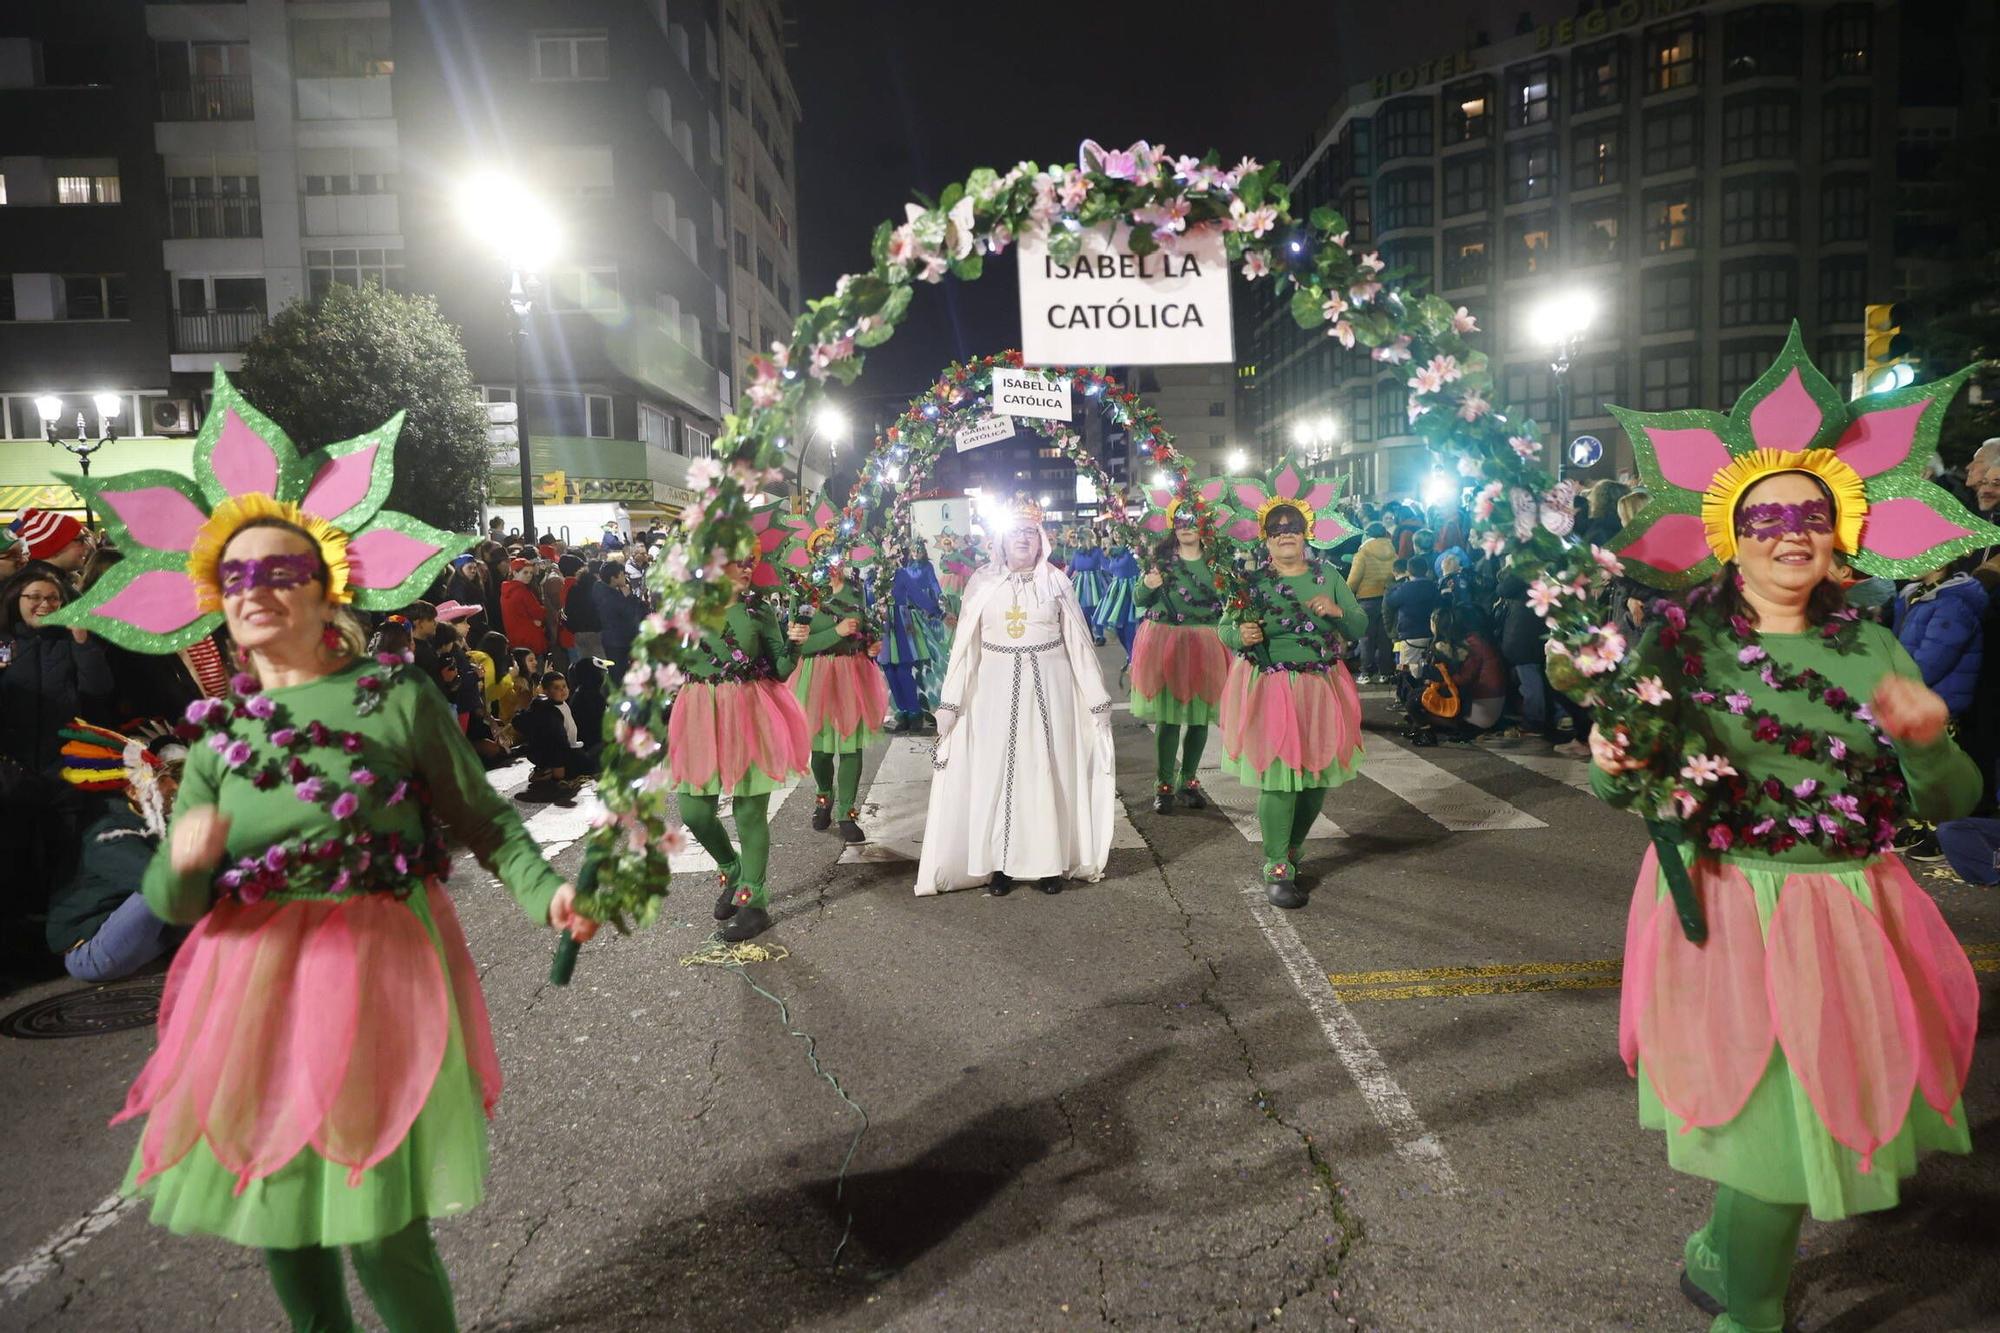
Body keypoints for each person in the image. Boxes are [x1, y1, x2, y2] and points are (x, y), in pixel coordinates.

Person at [46, 385, 598, 1333]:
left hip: (376, 970)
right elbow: (173, 904)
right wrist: (182, 856)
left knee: (384, 1226)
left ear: (326, 584)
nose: (253, 592)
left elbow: (487, 821)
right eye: (234, 579)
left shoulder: (395, 696)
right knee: (283, 1224)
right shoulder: (217, 740)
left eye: (278, 573)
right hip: (249, 981)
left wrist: (545, 891)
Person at [1593, 362, 1994, 1333]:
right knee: (1767, 1129)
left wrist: (1924, 738)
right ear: (1728, 533)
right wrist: (1620, 754)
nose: (1787, 535)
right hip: (1724, 898)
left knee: (1798, 1115)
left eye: (1807, 516)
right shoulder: (1681, 643)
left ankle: (1722, 1255)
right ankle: (1753, 1313)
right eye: (1764, 518)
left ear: (1840, 530)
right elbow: (1625, 782)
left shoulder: (1872, 644)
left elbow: (1952, 798)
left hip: (1847, 905)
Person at [917, 495, 1116, 897]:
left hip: (1050, 693)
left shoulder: (1057, 581)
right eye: (1015, 533)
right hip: (994, 695)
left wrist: (1097, 698)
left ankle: (1049, 866)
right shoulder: (981, 583)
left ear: (1041, 540)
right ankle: (1000, 866)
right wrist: (950, 703)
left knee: (1048, 774)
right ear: (1001, 541)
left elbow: (1078, 643)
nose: (1023, 539)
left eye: (1030, 532)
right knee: (998, 776)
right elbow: (964, 648)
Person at [1217, 497, 1367, 907]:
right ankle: (1276, 867)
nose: (1286, 534)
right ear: (1266, 539)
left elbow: (1359, 623)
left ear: (1307, 533)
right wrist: (1240, 636)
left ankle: (1292, 851)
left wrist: (1337, 610)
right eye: (1277, 529)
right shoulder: (1249, 583)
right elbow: (1226, 628)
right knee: (1280, 778)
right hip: (1271, 686)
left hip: (1321, 686)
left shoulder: (1329, 575)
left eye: (1294, 528)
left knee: (1316, 780)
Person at [666, 549, 810, 942]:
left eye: (751, 561)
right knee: (694, 812)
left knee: (749, 813)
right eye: (738, 560)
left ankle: (754, 901)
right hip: (698, 714)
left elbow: (779, 670)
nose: (747, 568)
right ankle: (731, 869)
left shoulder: (758, 610)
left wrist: (795, 644)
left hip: (749, 714)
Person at [47, 722, 186, 982]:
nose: (171, 787)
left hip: (137, 939)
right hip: (91, 953)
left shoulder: (148, 817)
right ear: (133, 790)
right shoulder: (107, 834)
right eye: (161, 778)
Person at [785, 528, 888, 844]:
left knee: (850, 745)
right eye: (823, 549)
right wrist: (837, 633)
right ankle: (823, 796)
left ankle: (846, 812)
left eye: (835, 549)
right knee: (820, 747)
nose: (831, 557)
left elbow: (866, 627)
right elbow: (799, 643)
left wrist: (872, 645)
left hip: (851, 675)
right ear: (813, 554)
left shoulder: (856, 591)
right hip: (815, 677)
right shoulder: (804, 595)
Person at [1132, 506, 1228, 813]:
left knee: (1200, 718)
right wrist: (1148, 585)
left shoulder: (1218, 563)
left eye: (1193, 521)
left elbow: (1234, 602)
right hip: (1166, 641)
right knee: (1169, 718)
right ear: (1173, 526)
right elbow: (1138, 598)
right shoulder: (1159, 561)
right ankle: (1164, 785)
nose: (1186, 527)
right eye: (1180, 521)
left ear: (1204, 526)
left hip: (1206, 643)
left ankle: (1188, 781)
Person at [2, 561, 114, 772]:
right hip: (14, 764)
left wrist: (82, 642)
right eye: (35, 597)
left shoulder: (71, 641)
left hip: (66, 761)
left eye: (53, 598)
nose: (45, 604)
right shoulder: (7, 643)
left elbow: (98, 689)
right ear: (17, 599)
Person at [877, 541, 944, 734]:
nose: (890, 558)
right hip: (882, 625)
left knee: (903, 671)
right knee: (889, 671)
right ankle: (903, 712)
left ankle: (915, 713)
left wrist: (937, 612)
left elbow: (917, 595)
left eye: (894, 554)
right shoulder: (874, 577)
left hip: (901, 623)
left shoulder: (902, 574)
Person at [1345, 521, 1397, 683]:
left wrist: (1346, 595)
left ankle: (1365, 673)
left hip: (1366, 600)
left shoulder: (1363, 553)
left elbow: (1353, 580)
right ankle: (1385, 673)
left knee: (1366, 638)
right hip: (1387, 598)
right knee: (1384, 639)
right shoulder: (1393, 551)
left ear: (1367, 535)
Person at [1093, 537, 1143, 662]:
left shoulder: (1133, 549)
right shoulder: (1113, 552)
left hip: (1132, 588)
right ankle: (1130, 655)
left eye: (1119, 533)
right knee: (1119, 627)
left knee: (1129, 625)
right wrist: (1102, 555)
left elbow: (1141, 564)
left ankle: (1133, 658)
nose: (1117, 536)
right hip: (1117, 590)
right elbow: (1110, 569)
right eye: (1115, 533)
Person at [8, 507, 95, 573]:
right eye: (80, 540)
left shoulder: (43, 580)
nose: (87, 545)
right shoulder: (47, 588)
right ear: (53, 549)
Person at [1067, 528, 1108, 644]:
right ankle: (1089, 635)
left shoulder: (1097, 551)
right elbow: (1071, 569)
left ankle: (1100, 635)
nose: (1079, 541)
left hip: (1095, 583)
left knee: (1097, 610)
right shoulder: (1077, 552)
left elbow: (1106, 564)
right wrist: (1063, 581)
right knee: (1084, 611)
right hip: (1081, 584)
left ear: (1088, 539)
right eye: (1078, 538)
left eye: (1081, 538)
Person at [500, 559, 548, 656]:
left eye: (531, 572)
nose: (529, 575)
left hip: (515, 638)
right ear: (514, 573)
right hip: (531, 639)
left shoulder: (505, 591)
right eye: (525, 572)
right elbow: (538, 612)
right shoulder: (523, 591)